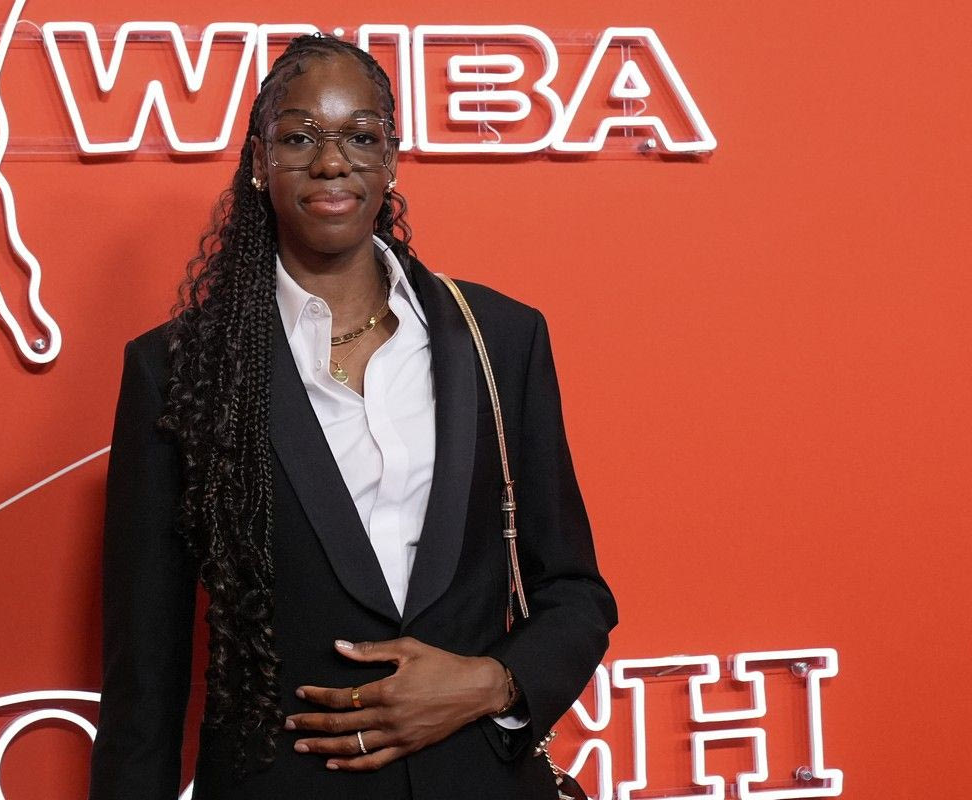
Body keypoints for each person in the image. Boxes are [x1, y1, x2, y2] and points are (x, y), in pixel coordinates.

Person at [88, 33, 617, 800]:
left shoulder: (500, 338)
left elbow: (575, 593)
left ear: (392, 159)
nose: (331, 162)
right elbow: (145, 674)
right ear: (259, 160)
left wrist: (491, 683)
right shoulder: (177, 369)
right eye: (299, 137)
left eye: (360, 137)